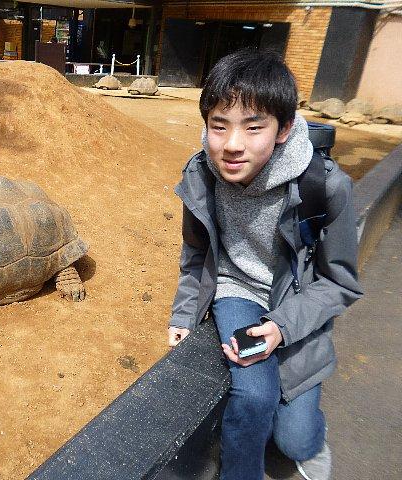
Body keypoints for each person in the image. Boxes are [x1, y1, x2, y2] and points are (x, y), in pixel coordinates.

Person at [167, 48, 362, 480]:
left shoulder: (326, 187)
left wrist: (282, 327)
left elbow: (340, 283)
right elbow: (196, 252)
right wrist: (184, 313)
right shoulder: (200, 175)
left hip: (298, 301)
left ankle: (309, 436)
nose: (232, 144)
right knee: (254, 397)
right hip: (237, 290)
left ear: (284, 128)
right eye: (219, 126)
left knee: (295, 440)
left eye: (253, 127)